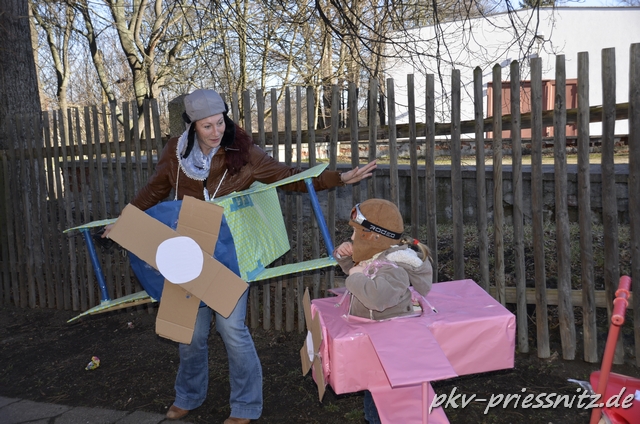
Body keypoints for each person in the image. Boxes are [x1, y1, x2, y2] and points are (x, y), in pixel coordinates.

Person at [103, 89, 376, 424]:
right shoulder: (176, 151)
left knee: (232, 329)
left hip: (229, 252)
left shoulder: (242, 151)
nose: (216, 131)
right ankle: (188, 396)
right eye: (207, 126)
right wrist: (126, 219)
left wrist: (339, 178)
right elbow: (155, 189)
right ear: (192, 125)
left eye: (220, 122)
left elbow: (287, 177)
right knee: (191, 334)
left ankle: (245, 406)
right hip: (189, 252)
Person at [332, 198, 433, 424]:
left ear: (374, 237)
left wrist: (355, 277)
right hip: (378, 344)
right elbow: (360, 270)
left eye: (355, 233)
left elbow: (375, 297)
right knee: (374, 392)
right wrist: (346, 256)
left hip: (391, 350)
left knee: (384, 405)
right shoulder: (378, 255)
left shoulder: (394, 269)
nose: (351, 238)